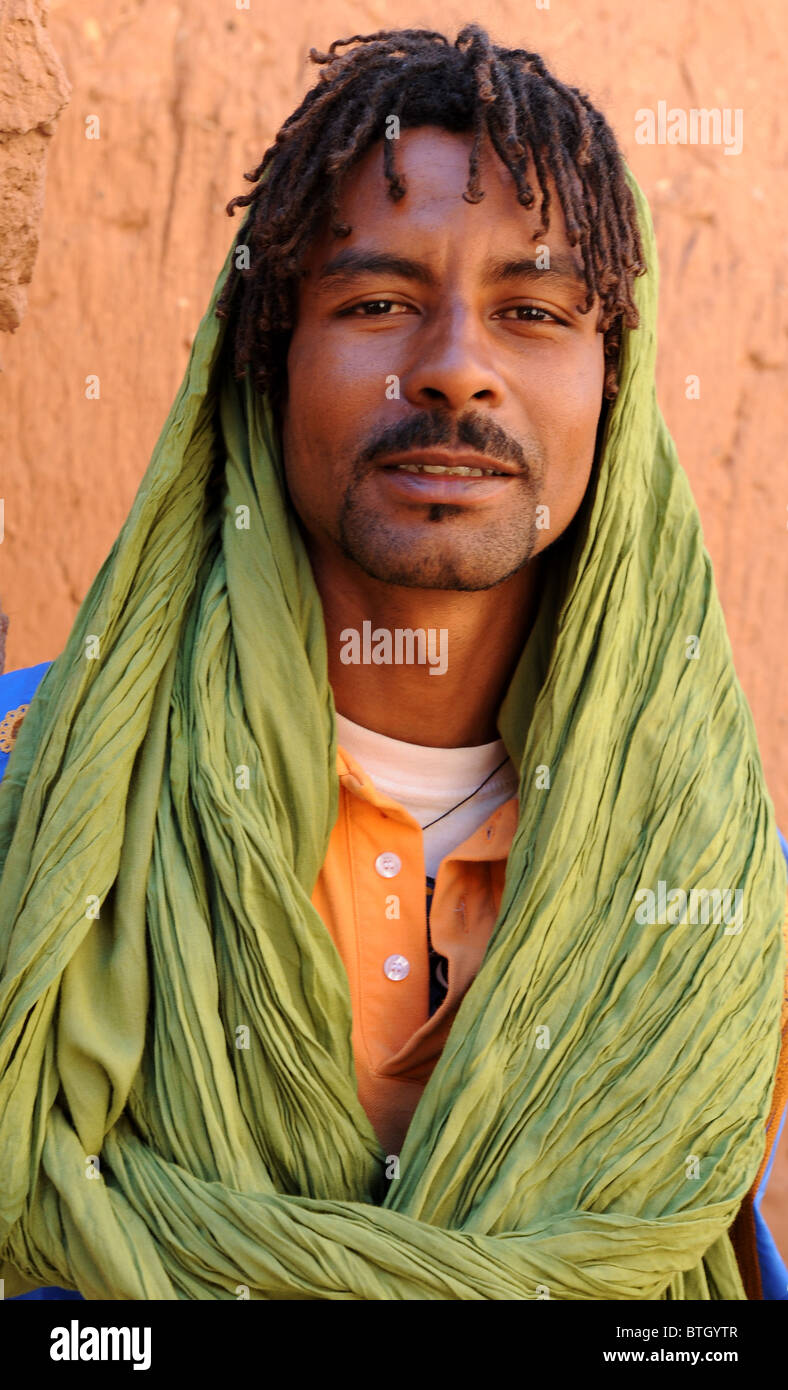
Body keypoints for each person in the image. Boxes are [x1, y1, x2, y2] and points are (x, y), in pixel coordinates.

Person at [1, 24, 786, 1302]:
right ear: (263, 363)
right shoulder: (34, 807)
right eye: (376, 304)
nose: (455, 369)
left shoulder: (720, 899)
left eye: (532, 312)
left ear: (613, 386)